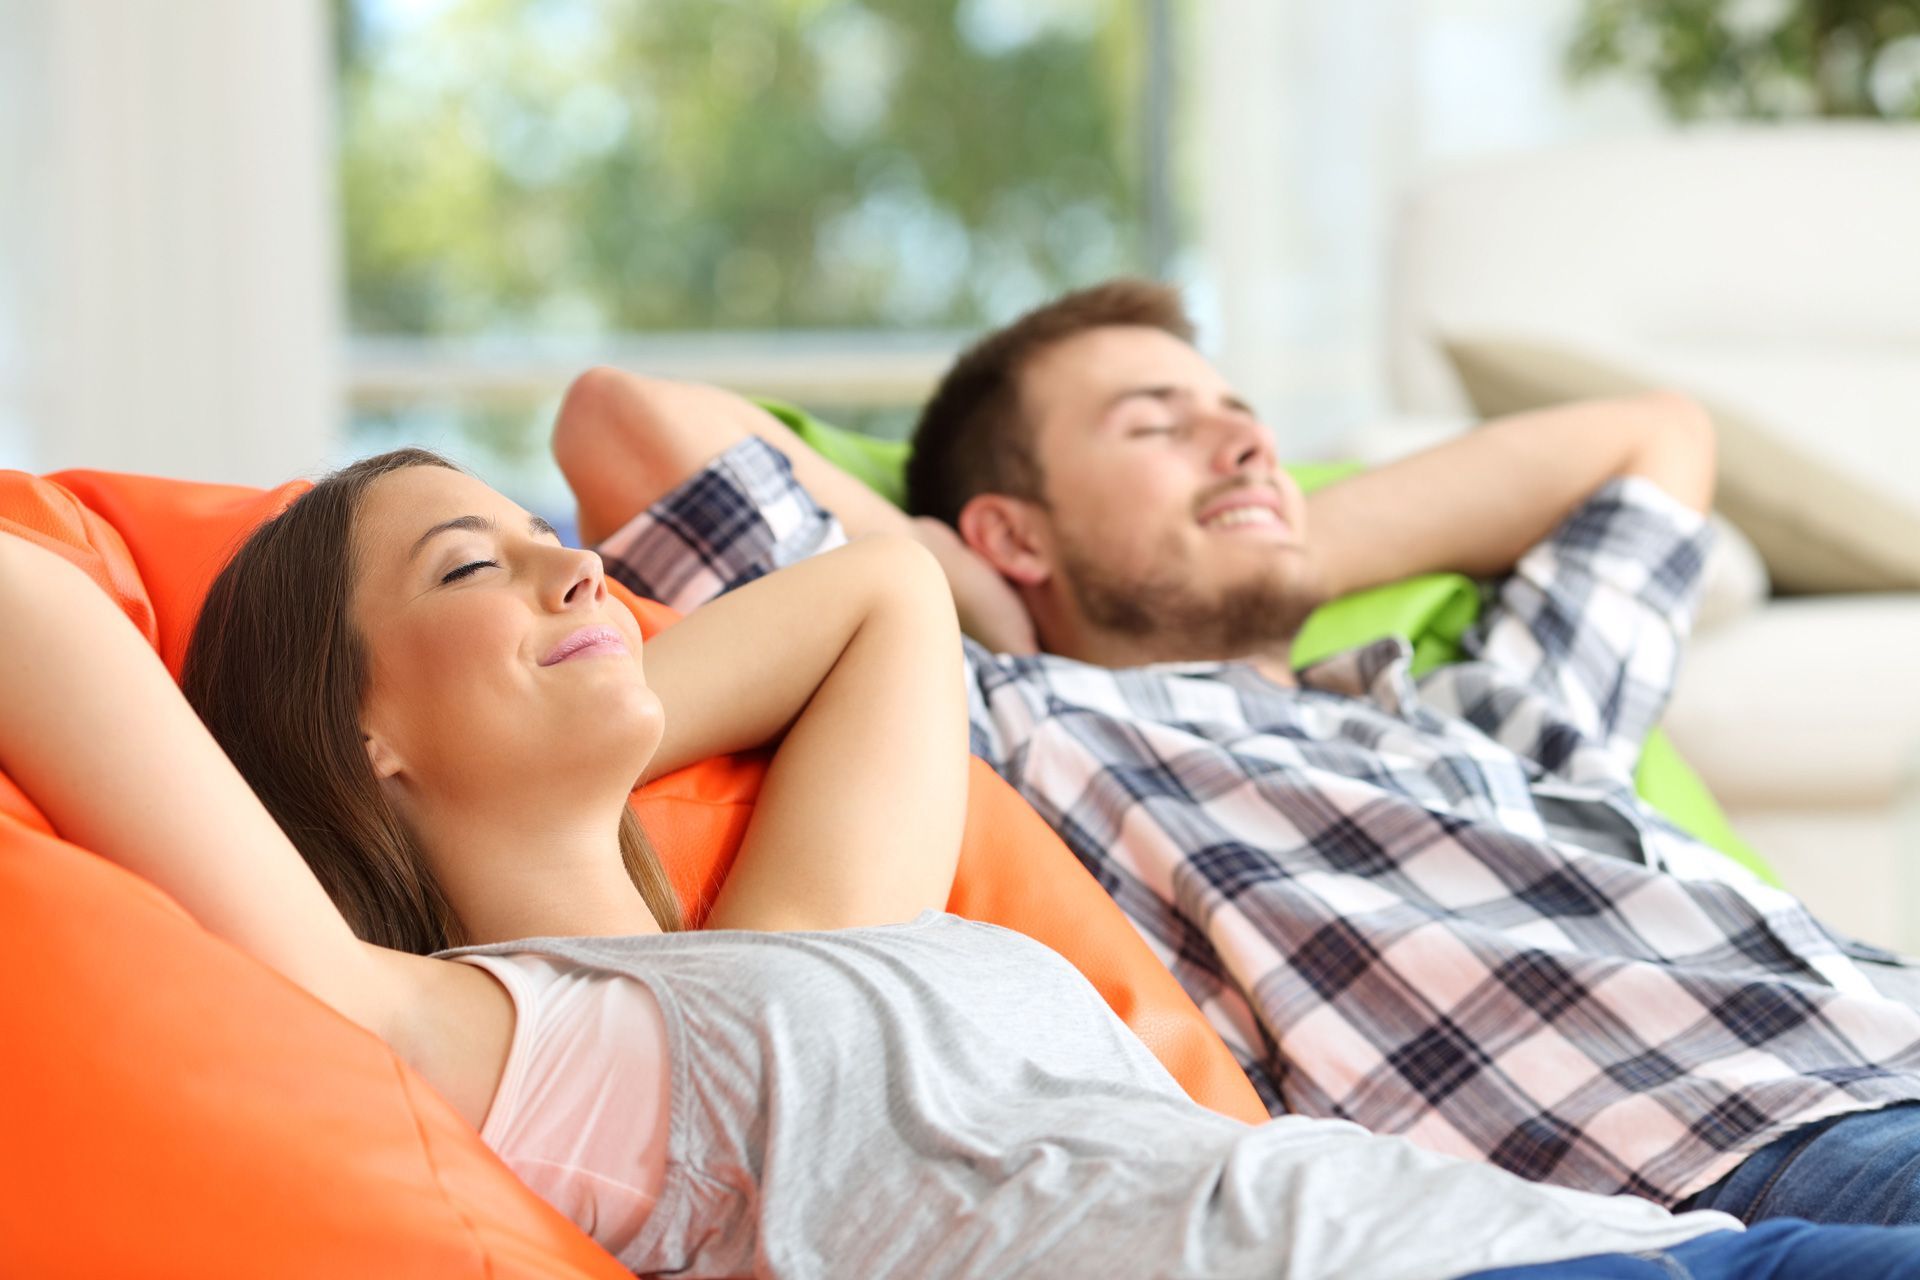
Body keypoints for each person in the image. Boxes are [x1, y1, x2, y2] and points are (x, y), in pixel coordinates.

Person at [8, 449, 1920, 1279]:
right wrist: (526, 721)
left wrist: (571, 690)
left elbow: (877, 604)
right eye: (467, 569)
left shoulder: (794, 937)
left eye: (545, 536)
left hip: (1592, 1240)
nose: (568, 563)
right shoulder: (496, 1047)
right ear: (360, 733)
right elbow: (33, 605)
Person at [552, 277, 1920, 1230]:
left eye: (1242, 417)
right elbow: (627, 423)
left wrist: (1283, 537)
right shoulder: (1025, 721)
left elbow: (1651, 441)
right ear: (1012, 532)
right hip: (1747, 1150)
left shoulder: (1485, 712)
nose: (1247, 438)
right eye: (1154, 424)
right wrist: (974, 591)